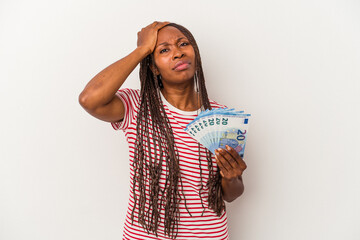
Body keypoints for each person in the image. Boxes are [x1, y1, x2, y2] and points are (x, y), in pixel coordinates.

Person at [79, 21, 247, 240]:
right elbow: (89, 100)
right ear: (154, 67)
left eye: (183, 44)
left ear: (195, 54)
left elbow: (231, 195)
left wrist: (232, 178)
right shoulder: (137, 105)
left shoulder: (222, 117)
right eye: (164, 50)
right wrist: (141, 50)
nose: (177, 53)